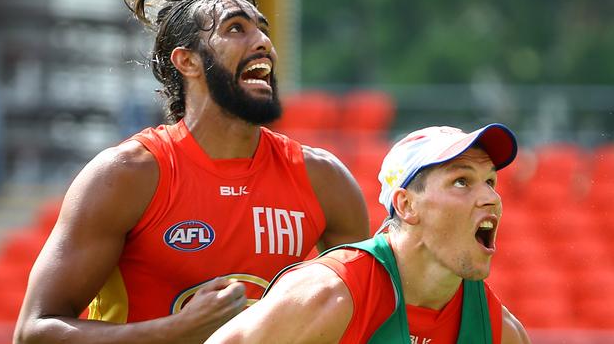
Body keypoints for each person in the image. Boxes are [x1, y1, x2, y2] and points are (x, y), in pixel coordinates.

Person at [13, 0, 369, 343]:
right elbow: (34, 332)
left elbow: (369, 317)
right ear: (188, 61)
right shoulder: (127, 175)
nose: (263, 43)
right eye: (236, 29)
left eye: (263, 30)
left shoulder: (324, 180)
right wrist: (179, 330)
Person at [206, 123, 532, 343]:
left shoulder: (498, 330)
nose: (491, 197)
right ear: (406, 205)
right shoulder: (329, 295)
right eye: (462, 181)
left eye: (490, 181)